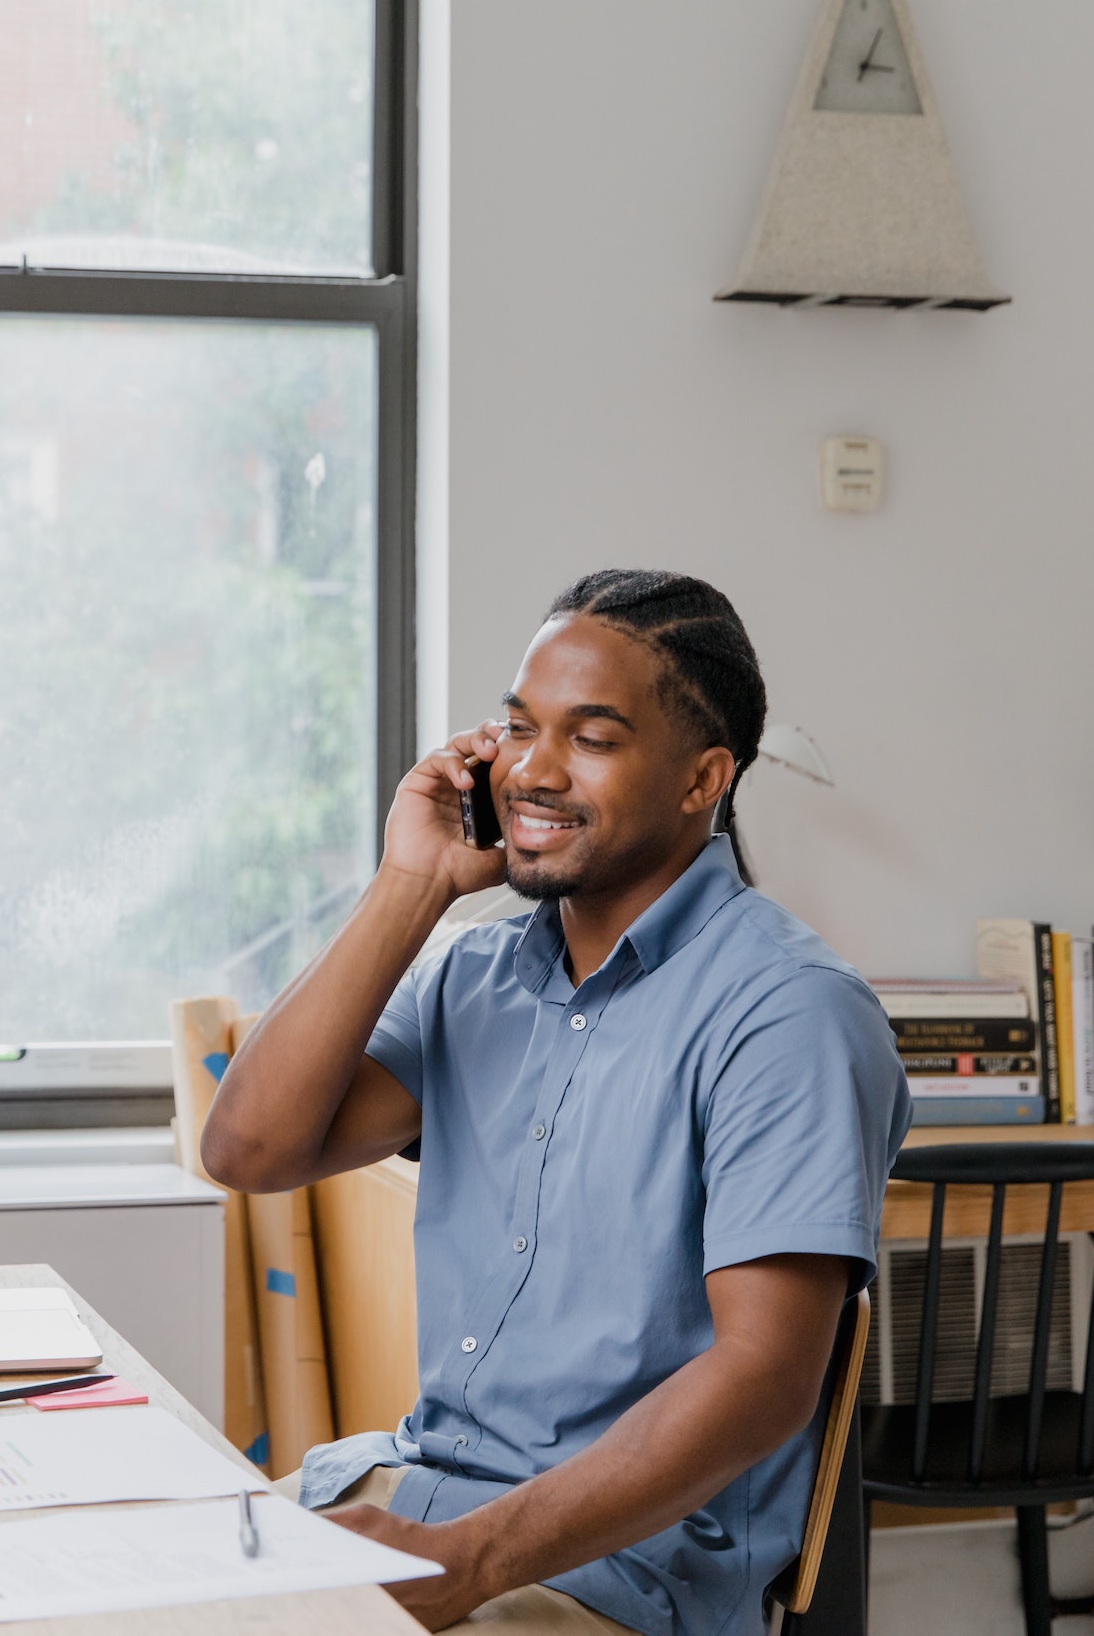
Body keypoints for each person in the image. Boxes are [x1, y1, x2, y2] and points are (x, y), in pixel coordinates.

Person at [202, 568, 911, 1636]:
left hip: (611, 1573)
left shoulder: (787, 1011)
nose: (532, 768)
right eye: (518, 725)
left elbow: (764, 1373)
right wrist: (412, 882)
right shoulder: (472, 974)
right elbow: (248, 1144)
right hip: (413, 1499)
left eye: (592, 736)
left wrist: (465, 1558)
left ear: (701, 778)